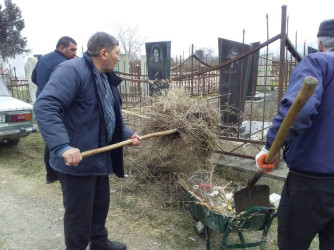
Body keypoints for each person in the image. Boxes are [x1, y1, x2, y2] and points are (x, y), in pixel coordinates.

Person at [34, 32, 141, 250]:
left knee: (100, 205)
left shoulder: (104, 76)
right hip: (77, 162)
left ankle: (99, 243)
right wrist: (62, 146)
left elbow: (107, 114)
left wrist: (126, 133)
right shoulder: (71, 71)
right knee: (79, 215)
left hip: (99, 158)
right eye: (116, 53)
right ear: (104, 53)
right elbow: (45, 107)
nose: (118, 58)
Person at [256, 19, 334, 249]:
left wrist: (270, 147)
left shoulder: (318, 63)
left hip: (311, 185)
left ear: (320, 43)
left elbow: (299, 111)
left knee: (293, 243)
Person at [32, 36, 77, 184]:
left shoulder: (43, 58)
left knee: (49, 140)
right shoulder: (64, 64)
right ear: (61, 48)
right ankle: (56, 173)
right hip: (57, 104)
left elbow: (33, 78)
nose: (74, 53)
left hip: (42, 100)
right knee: (59, 139)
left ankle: (50, 175)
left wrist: (43, 86)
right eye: (72, 49)